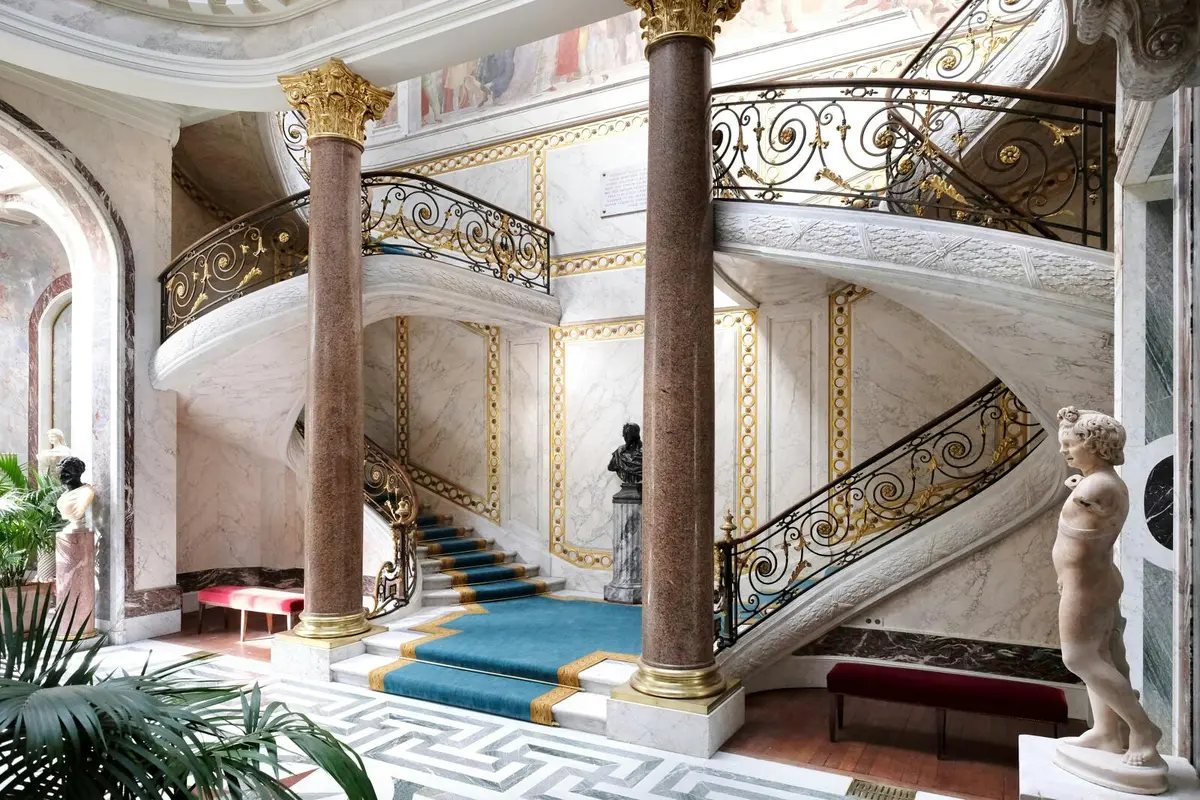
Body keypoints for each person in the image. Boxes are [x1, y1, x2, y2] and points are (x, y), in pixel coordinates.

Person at [1052, 407, 1163, 768]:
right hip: (1089, 581)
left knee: (1079, 657)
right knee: (1103, 656)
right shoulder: (1097, 482)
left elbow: (1096, 501)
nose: (1064, 451)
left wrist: (1080, 490)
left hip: (1087, 587)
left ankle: (1143, 730)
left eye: (1070, 444)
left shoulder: (1098, 486)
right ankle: (1107, 732)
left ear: (1095, 445)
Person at [607, 422, 643, 487]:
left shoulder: (646, 453)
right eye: (624, 434)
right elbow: (611, 467)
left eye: (626, 434)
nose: (623, 436)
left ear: (633, 436)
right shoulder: (619, 452)